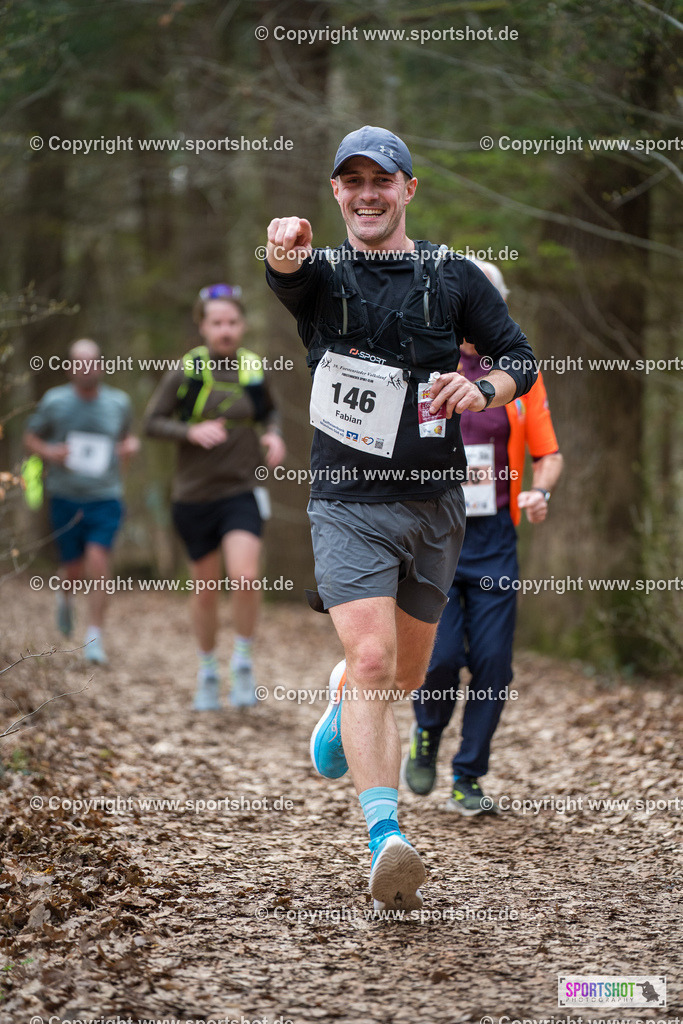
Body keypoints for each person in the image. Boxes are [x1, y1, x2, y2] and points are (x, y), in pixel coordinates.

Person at [265, 126, 538, 912]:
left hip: (434, 505)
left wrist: (482, 391)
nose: (366, 194)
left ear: (407, 189)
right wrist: (282, 249)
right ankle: (386, 838)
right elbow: (285, 275)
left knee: (407, 677)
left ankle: (343, 698)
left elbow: (517, 358)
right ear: (336, 195)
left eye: (380, 180)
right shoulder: (323, 274)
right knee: (379, 665)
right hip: (348, 503)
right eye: (350, 182)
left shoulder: (451, 275)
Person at [402, 260, 563, 814]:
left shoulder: (516, 377)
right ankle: (426, 734)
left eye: (489, 296)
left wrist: (540, 492)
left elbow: (549, 454)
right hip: (440, 534)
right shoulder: (430, 361)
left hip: (494, 536)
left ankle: (469, 775)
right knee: (441, 659)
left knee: (493, 664)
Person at [144, 284, 285, 711]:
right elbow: (151, 422)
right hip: (193, 496)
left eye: (233, 322)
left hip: (241, 490)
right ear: (203, 326)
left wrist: (274, 435)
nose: (225, 330)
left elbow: (269, 412)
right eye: (217, 323)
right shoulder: (186, 372)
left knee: (244, 577)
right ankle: (207, 669)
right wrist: (189, 430)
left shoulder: (252, 368)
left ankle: (242, 661)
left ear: (242, 325)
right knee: (205, 589)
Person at [24, 338, 139, 665]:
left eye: (92, 361)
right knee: (73, 567)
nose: (86, 367)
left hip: (105, 497)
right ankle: (64, 596)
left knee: (98, 561)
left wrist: (129, 448)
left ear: (101, 365)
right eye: (79, 361)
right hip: (65, 497)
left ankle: (94, 638)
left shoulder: (119, 402)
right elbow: (30, 438)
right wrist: (50, 453)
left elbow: (127, 438)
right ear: (70, 366)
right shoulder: (54, 401)